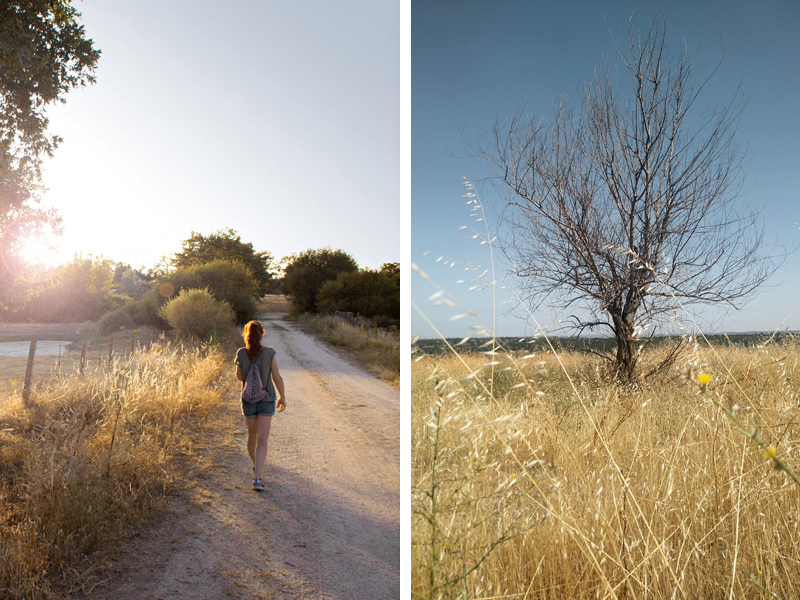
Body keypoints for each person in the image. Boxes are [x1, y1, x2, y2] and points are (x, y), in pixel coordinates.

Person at [234, 320, 286, 491]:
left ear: (246, 334)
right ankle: (258, 478)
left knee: (252, 436)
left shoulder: (241, 353)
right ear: (262, 333)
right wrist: (282, 397)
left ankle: (257, 466)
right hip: (267, 399)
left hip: (248, 400)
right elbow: (277, 377)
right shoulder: (269, 353)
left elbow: (240, 378)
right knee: (263, 439)